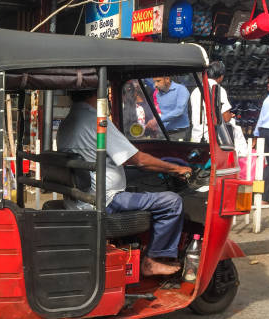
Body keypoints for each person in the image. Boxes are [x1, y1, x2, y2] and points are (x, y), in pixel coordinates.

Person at [57, 90, 192, 277]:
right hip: (107, 200)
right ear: (98, 95)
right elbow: (140, 160)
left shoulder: (69, 120)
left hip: (82, 197)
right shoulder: (97, 121)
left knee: (141, 185)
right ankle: (152, 261)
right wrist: (176, 169)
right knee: (172, 202)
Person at [190, 61, 232, 143]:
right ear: (221, 76)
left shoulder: (195, 91)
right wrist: (230, 115)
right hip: (211, 139)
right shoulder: (218, 89)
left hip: (196, 137)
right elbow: (226, 118)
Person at [148, 76, 190, 141]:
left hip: (179, 132)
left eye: (158, 81)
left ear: (167, 79)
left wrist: (158, 120)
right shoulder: (158, 94)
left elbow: (179, 110)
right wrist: (153, 121)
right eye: (154, 82)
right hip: (163, 133)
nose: (155, 85)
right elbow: (161, 112)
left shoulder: (181, 89)